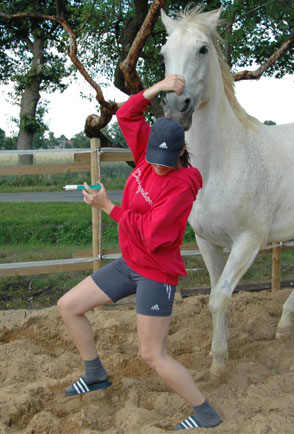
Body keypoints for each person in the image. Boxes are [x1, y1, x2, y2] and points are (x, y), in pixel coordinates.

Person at [57, 75, 222, 430]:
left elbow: (151, 234)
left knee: (151, 354)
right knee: (68, 306)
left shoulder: (181, 186)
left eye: (166, 160)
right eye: (153, 157)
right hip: (130, 263)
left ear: (180, 151)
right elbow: (128, 115)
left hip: (156, 272)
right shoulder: (149, 153)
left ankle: (205, 413)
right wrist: (159, 87)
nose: (157, 165)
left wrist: (107, 207)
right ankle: (96, 372)